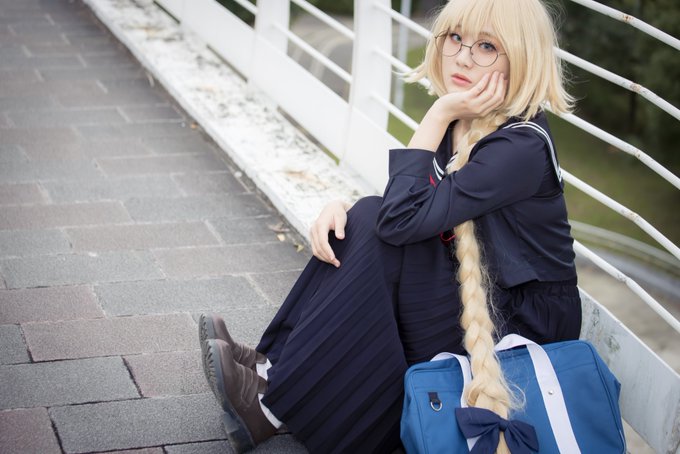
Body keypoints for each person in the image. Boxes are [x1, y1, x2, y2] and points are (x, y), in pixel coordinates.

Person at [200, 0, 581, 452]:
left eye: (486, 47)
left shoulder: (518, 148)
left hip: (513, 326)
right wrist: (339, 206)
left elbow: (399, 220)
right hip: (476, 290)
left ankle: (268, 406)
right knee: (361, 216)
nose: (462, 57)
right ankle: (271, 367)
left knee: (375, 224)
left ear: (520, 59)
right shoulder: (466, 123)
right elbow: (406, 209)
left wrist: (437, 114)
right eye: (455, 38)